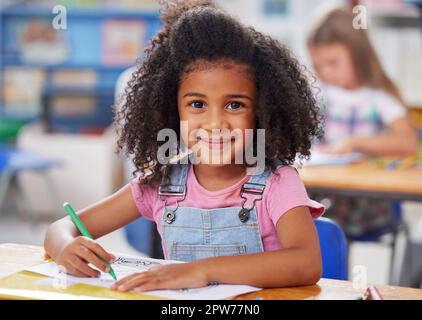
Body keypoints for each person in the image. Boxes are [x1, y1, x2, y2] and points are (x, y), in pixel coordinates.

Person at [44, 0, 324, 292]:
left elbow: (306, 264)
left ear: (263, 110)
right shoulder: (161, 183)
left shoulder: (277, 184)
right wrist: (65, 247)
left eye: (234, 104)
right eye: (197, 104)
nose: (215, 123)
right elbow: (61, 228)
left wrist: (201, 271)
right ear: (172, 110)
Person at [307, 7, 419, 237]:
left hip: (366, 203)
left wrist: (356, 143)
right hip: (326, 189)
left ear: (357, 53)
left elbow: (408, 143)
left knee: (322, 223)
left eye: (333, 62)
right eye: (319, 66)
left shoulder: (378, 97)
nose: (326, 73)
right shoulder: (321, 94)